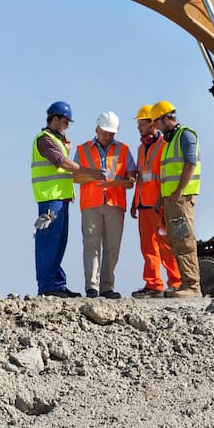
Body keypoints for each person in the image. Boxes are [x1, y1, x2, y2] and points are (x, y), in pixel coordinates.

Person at [31, 100, 105, 298]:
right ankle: (48, 286)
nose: (67, 125)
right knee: (48, 243)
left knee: (58, 243)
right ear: (54, 119)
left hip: (59, 200)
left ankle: (57, 284)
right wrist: (92, 172)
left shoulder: (56, 141)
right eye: (65, 121)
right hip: (50, 201)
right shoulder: (44, 140)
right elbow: (61, 162)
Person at [75, 111, 135, 298]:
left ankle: (107, 287)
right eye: (105, 132)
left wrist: (116, 183)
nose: (108, 136)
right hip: (90, 203)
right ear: (97, 129)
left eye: (112, 133)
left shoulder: (123, 149)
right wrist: (92, 174)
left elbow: (131, 179)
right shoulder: (82, 149)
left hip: (115, 204)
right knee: (91, 245)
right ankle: (91, 287)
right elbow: (74, 176)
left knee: (112, 247)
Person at [151, 100, 202, 298]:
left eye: (157, 122)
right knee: (175, 241)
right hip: (171, 200)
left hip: (181, 200)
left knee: (184, 240)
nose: (155, 127)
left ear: (166, 118)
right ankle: (186, 284)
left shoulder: (185, 135)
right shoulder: (169, 142)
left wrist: (179, 191)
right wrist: (160, 198)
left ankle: (192, 287)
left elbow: (191, 162)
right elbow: (166, 175)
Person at [129, 105, 181, 298]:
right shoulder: (141, 147)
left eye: (141, 123)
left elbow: (164, 176)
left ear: (152, 124)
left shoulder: (164, 146)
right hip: (144, 205)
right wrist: (135, 202)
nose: (138, 127)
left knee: (166, 245)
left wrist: (163, 201)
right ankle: (153, 284)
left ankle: (176, 282)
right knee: (148, 247)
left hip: (159, 204)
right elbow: (142, 177)